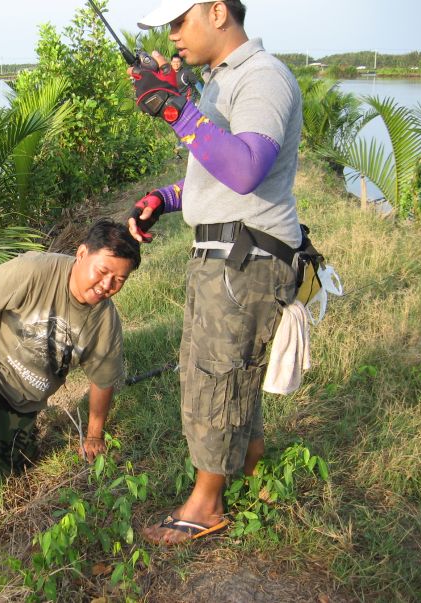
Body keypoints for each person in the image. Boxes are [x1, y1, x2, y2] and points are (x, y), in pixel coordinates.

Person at [127, 0, 302, 545]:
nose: (173, 34)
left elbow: (248, 169)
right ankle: (255, 475)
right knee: (230, 370)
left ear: (218, 12)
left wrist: (177, 110)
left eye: (180, 21)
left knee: (215, 375)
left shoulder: (263, 78)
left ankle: (205, 505)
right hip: (226, 250)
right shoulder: (217, 84)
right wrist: (164, 197)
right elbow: (216, 171)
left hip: (246, 256)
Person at [0, 219, 141, 514]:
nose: (107, 286)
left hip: (23, 402)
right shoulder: (36, 270)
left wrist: (94, 435)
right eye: (103, 272)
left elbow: (102, 381)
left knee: (11, 477)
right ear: (82, 253)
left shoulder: (106, 324)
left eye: (119, 281)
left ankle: (7, 446)